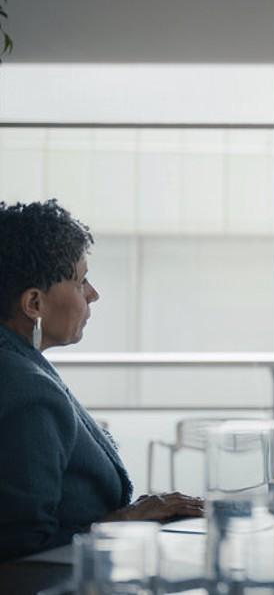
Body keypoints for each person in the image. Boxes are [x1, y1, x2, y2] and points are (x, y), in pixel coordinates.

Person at [0, 200, 203, 562]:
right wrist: (125, 521)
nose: (93, 294)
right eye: (81, 281)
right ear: (34, 303)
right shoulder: (26, 392)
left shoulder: (19, 363)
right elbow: (21, 552)